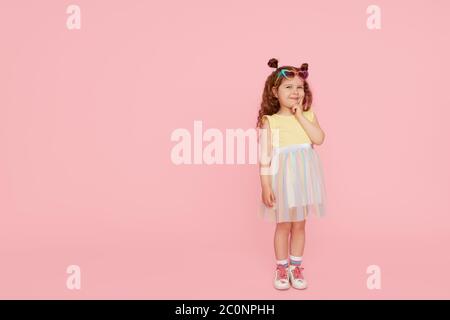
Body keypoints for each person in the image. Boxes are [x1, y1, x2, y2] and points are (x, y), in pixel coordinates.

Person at [257, 58, 327, 290]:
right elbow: (265, 157)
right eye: (289, 87)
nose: (295, 91)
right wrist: (266, 186)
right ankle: (281, 268)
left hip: (303, 180)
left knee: (300, 225)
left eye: (299, 87)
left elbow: (318, 139)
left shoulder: (307, 115)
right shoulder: (271, 121)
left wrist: (299, 115)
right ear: (275, 92)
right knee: (283, 225)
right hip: (282, 180)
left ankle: (296, 267)